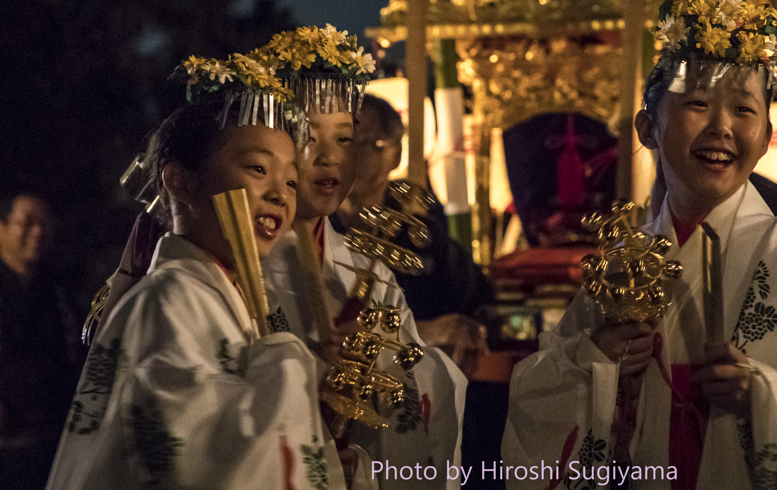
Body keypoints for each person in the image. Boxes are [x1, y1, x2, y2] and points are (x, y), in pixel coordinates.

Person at [503, 0, 777, 490]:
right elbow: (539, 403)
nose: (721, 127)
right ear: (648, 127)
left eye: (743, 109)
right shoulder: (623, 270)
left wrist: (764, 397)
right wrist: (597, 361)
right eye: (697, 104)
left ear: (767, 134)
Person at [46, 55, 351, 490]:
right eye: (258, 169)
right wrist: (291, 366)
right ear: (182, 182)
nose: (280, 196)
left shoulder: (232, 297)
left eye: (289, 181)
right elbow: (185, 458)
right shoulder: (169, 299)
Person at [253, 26, 467, 490]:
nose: (330, 158)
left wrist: (383, 362)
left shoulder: (368, 270)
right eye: (309, 137)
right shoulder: (236, 266)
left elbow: (414, 382)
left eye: (346, 140)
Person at [336, 93, 491, 377]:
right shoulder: (314, 229)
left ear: (395, 154)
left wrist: (469, 331)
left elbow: (477, 302)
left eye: (366, 143)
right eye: (342, 142)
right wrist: (426, 331)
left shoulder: (421, 237)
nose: (350, 156)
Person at [0, 192, 83, 490]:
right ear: (2, 228)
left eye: (43, 223)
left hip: (56, 438)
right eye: (27, 222)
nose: (37, 231)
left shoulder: (59, 288)